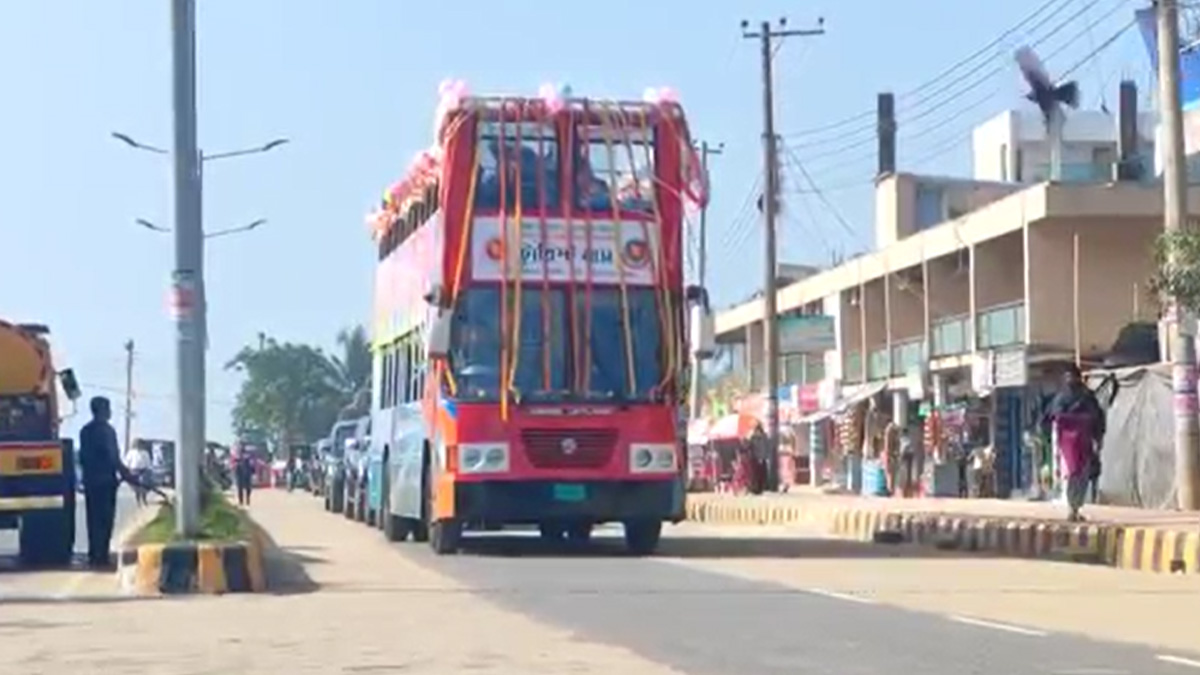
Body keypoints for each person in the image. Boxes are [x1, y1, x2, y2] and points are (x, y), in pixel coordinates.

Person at [1042, 364, 1106, 522]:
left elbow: (1048, 418)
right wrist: (1097, 437)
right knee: (1077, 474)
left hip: (1067, 443)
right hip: (1077, 442)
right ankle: (1074, 508)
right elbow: (1097, 418)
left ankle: (1073, 508)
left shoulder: (1065, 396)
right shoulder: (1084, 396)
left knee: (1073, 474)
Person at [78, 397, 135, 568]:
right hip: (106, 482)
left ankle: (94, 554)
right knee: (105, 520)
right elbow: (113, 457)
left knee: (92, 519)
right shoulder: (107, 431)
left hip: (90, 481)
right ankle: (101, 555)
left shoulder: (84, 431)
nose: (110, 412)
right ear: (103, 410)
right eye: (108, 408)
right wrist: (126, 474)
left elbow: (83, 457)